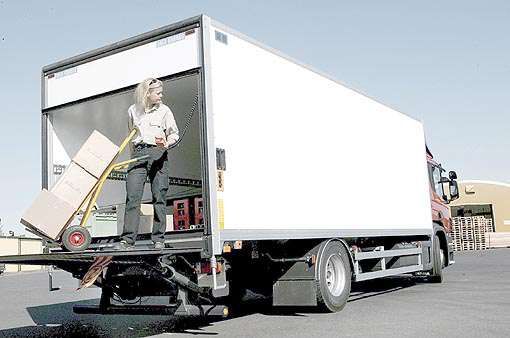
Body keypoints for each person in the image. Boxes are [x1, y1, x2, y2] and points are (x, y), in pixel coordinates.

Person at [116, 78, 179, 250]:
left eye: (161, 92)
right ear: (147, 93)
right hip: (138, 153)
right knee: (132, 197)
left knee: (159, 196)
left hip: (159, 152)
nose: (161, 95)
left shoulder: (165, 111)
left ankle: (158, 239)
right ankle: (127, 240)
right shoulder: (133, 111)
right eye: (158, 92)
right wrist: (133, 154)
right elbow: (131, 135)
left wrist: (167, 143)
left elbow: (175, 134)